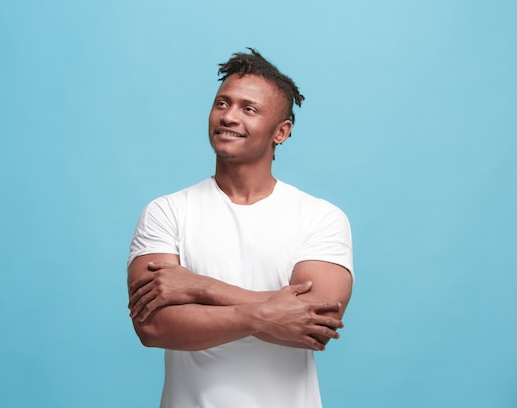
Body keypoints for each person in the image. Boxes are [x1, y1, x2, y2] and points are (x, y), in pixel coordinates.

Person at [127, 48, 354, 408]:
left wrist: (201, 287)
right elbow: (152, 327)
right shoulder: (166, 212)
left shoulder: (320, 217)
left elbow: (317, 324)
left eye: (248, 109)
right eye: (222, 104)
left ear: (281, 132)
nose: (229, 117)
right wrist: (267, 312)